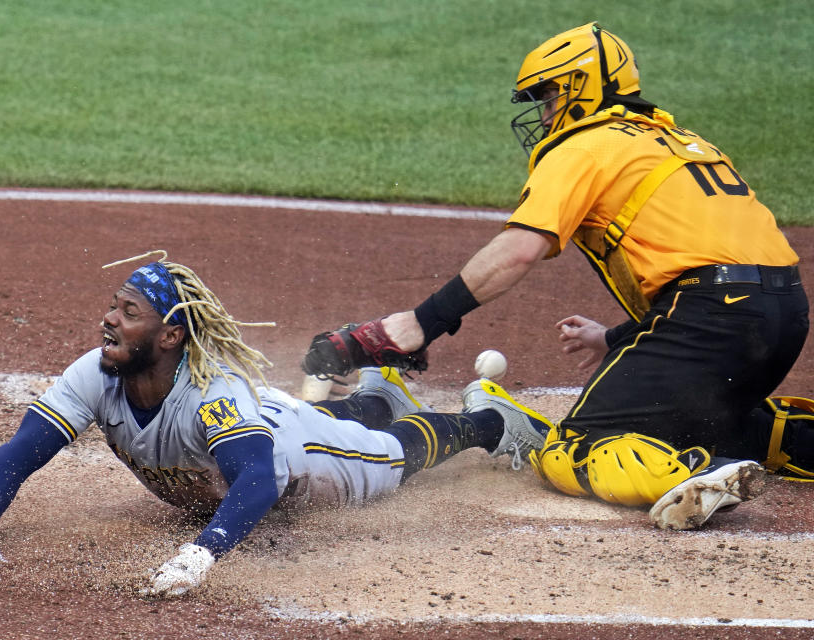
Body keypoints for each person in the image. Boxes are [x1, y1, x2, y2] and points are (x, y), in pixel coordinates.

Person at [301, 23, 811, 530]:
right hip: (782, 312)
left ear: (580, 89)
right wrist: (614, 337)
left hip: (710, 314)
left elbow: (519, 250)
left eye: (548, 97)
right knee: (711, 419)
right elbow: (714, 267)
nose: (543, 113)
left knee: (572, 448)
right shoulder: (676, 141)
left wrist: (419, 324)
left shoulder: (584, 145)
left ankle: (698, 473)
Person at [0, 252, 552, 596]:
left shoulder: (211, 393)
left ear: (171, 334)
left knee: (390, 457)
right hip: (280, 417)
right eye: (112, 307)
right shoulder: (97, 372)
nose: (108, 321)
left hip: (305, 459)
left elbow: (256, 479)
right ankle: (383, 386)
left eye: (129, 311)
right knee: (330, 413)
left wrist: (202, 555)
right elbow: (20, 453)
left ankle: (486, 423)